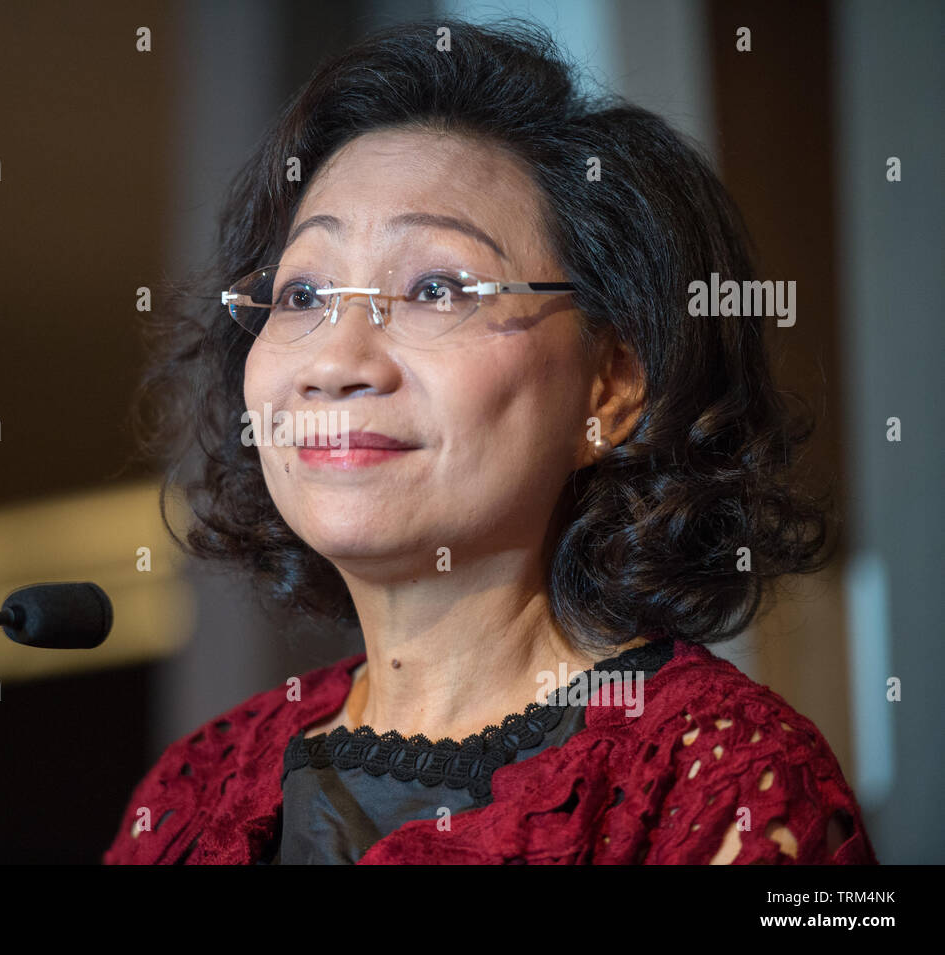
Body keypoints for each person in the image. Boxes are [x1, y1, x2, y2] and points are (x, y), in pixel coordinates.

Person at [104, 17, 876, 864]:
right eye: (301, 295)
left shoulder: (724, 779)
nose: (335, 361)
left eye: (435, 286)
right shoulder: (189, 793)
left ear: (610, 388)